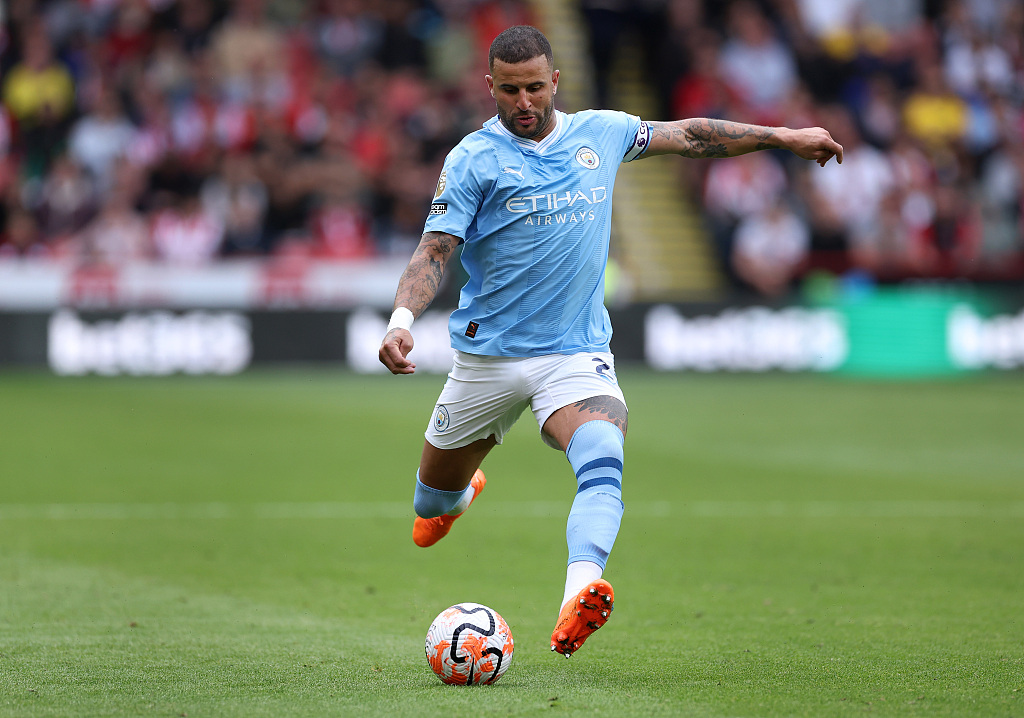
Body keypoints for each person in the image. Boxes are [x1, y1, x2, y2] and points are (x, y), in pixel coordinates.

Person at [378, 25, 842, 659]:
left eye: (535, 88)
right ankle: (459, 494)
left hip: (574, 354)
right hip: (487, 360)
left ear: (555, 82)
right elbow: (435, 249)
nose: (523, 102)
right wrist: (401, 320)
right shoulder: (471, 159)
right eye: (509, 90)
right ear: (490, 86)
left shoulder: (601, 132)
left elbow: (692, 136)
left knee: (602, 456)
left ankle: (580, 590)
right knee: (428, 507)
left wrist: (780, 136)